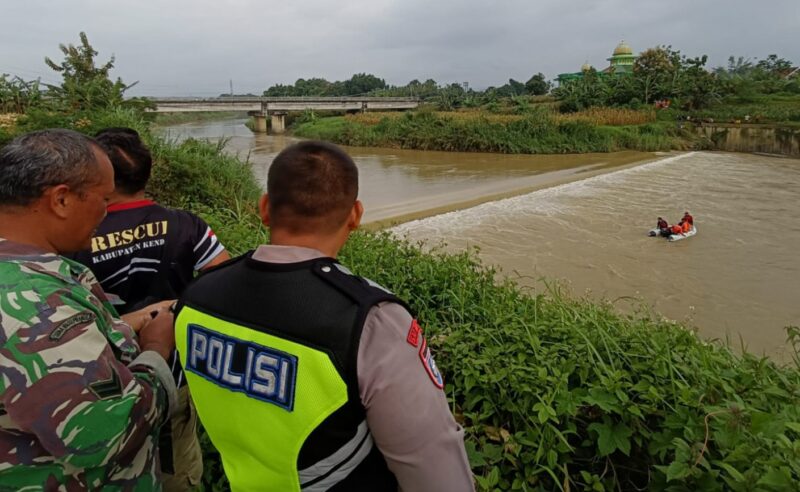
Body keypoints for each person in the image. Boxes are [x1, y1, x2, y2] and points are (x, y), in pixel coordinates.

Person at [174, 141, 474, 491]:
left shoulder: (195, 300)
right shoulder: (371, 322)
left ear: (264, 208)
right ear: (356, 215)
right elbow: (437, 475)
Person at [0, 129, 177, 489]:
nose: (106, 212)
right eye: (104, 199)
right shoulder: (38, 305)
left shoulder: (23, 278)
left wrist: (121, 326)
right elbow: (107, 433)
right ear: (62, 199)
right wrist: (156, 350)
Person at [69, 127, 228, 490]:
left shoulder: (76, 234)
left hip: (97, 383)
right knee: (177, 468)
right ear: (147, 171)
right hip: (172, 374)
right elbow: (223, 282)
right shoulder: (185, 224)